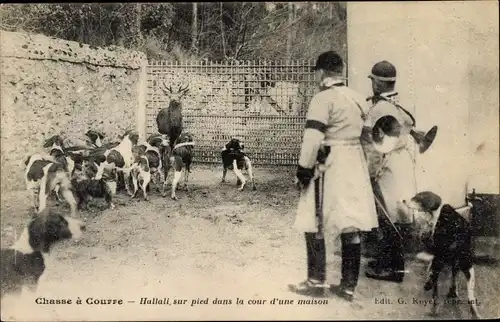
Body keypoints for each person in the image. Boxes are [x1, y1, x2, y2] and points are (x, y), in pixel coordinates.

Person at [290, 51, 378, 301]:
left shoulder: (323, 98)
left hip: (329, 164)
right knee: (350, 223)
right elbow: (369, 138)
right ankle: (348, 286)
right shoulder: (360, 99)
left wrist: (304, 169)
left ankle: (315, 281)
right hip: (354, 163)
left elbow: (313, 138)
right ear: (340, 71)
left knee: (313, 219)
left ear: (321, 73)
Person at [361, 60, 417, 283]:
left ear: (377, 83)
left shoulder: (380, 109)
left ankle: (393, 270)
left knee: (386, 218)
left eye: (373, 80)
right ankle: (389, 263)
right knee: (397, 214)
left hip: (385, 166)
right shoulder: (398, 103)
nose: (372, 84)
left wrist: (370, 173)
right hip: (401, 163)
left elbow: (374, 147)